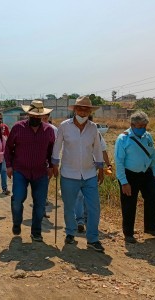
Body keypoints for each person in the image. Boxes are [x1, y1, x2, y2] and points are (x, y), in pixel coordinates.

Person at [52, 95, 105, 252]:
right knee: (69, 206)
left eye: (86, 109)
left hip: (89, 174)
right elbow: (57, 146)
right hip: (69, 174)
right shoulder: (64, 126)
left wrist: (101, 168)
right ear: (75, 110)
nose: (83, 112)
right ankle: (70, 233)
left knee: (94, 207)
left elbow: (97, 148)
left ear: (90, 111)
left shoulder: (93, 128)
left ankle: (93, 239)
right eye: (80, 109)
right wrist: (55, 164)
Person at [5, 100, 55, 242]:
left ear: (42, 116)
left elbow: (52, 150)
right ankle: (16, 222)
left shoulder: (49, 130)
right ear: (28, 114)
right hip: (21, 170)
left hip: (40, 172)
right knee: (18, 199)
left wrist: (51, 166)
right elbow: (8, 148)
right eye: (32, 116)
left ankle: (36, 231)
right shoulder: (17, 128)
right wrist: (9, 165)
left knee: (39, 203)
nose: (35, 119)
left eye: (38, 117)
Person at [114, 110, 155, 244]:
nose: (142, 129)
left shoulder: (148, 137)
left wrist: (154, 173)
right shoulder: (123, 138)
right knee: (129, 203)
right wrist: (124, 182)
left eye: (144, 126)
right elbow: (119, 162)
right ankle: (128, 233)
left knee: (154, 195)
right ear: (132, 125)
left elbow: (152, 155)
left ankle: (151, 228)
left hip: (147, 173)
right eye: (140, 126)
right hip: (129, 175)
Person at [75, 131, 112, 233]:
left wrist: (108, 164)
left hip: (91, 169)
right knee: (79, 195)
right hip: (75, 168)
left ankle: (86, 219)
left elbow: (103, 150)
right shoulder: (71, 130)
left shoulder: (95, 133)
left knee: (88, 195)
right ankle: (80, 220)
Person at [40, 113, 58, 218]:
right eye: (42, 117)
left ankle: (42, 207)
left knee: (45, 183)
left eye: (46, 117)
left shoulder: (53, 129)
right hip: (37, 162)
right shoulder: (34, 128)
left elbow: (56, 147)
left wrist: (54, 163)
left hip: (49, 161)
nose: (44, 119)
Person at [0, 112, 11, 195]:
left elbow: (9, 138)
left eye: (0, 119)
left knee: (3, 170)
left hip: (3, 153)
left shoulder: (5, 127)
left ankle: (4, 188)